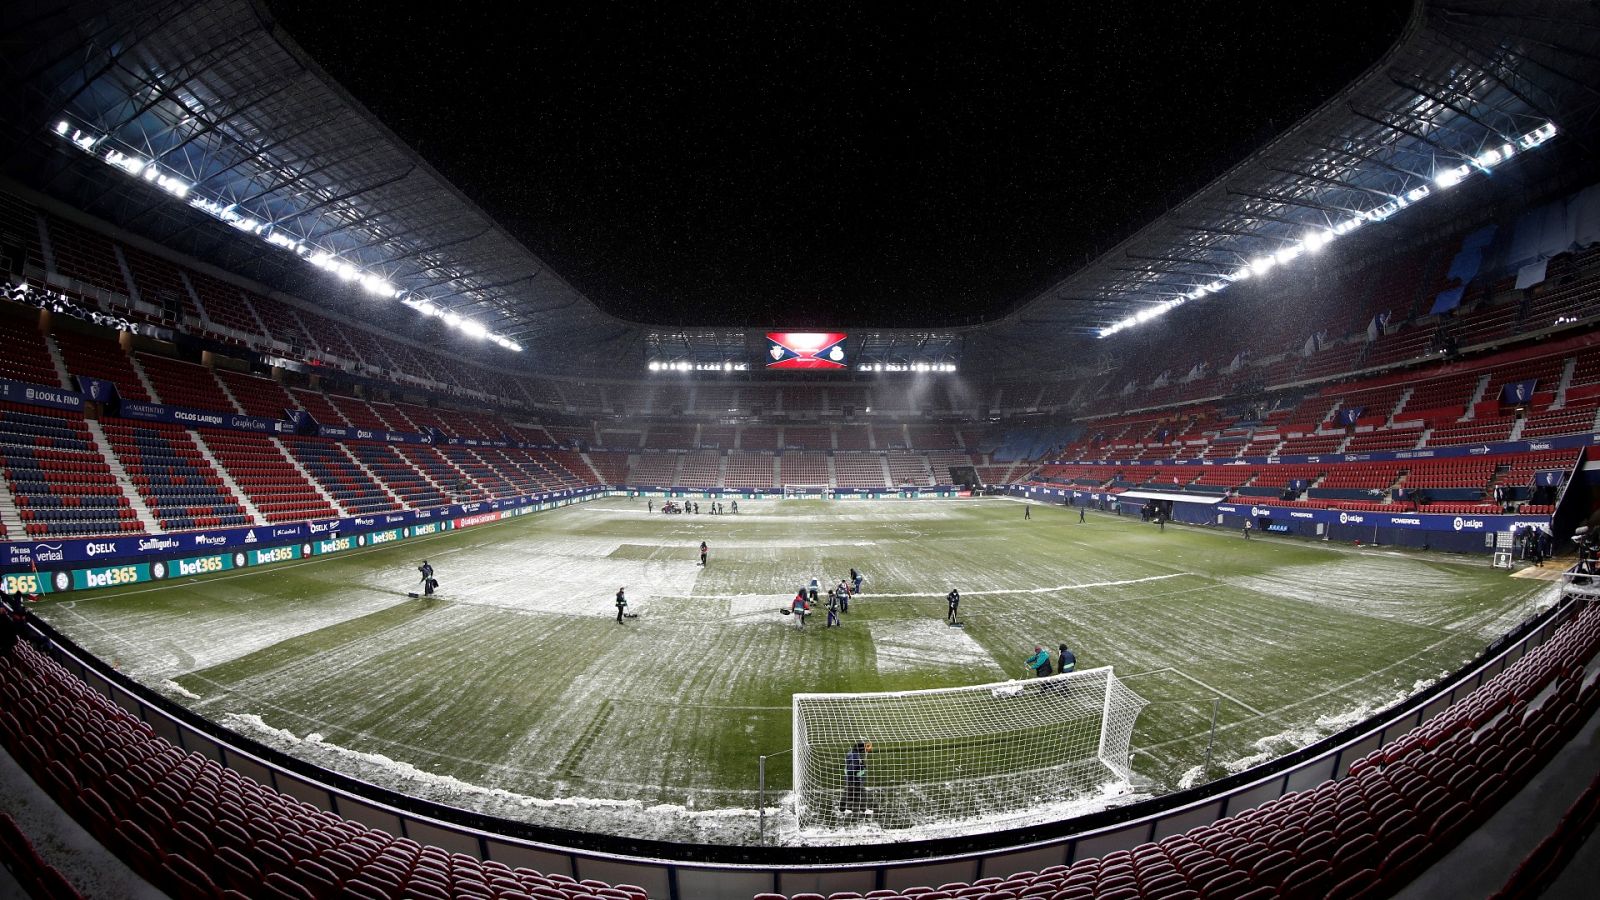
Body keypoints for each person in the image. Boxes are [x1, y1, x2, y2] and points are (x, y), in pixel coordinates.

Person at [842, 740, 872, 813]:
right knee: (862, 793)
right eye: (863, 748)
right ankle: (863, 809)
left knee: (848, 792)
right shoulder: (855, 757)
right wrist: (854, 779)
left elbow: (852, 765)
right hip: (854, 779)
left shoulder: (851, 753)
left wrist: (861, 765)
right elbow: (852, 769)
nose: (864, 750)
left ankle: (843, 808)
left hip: (850, 778)